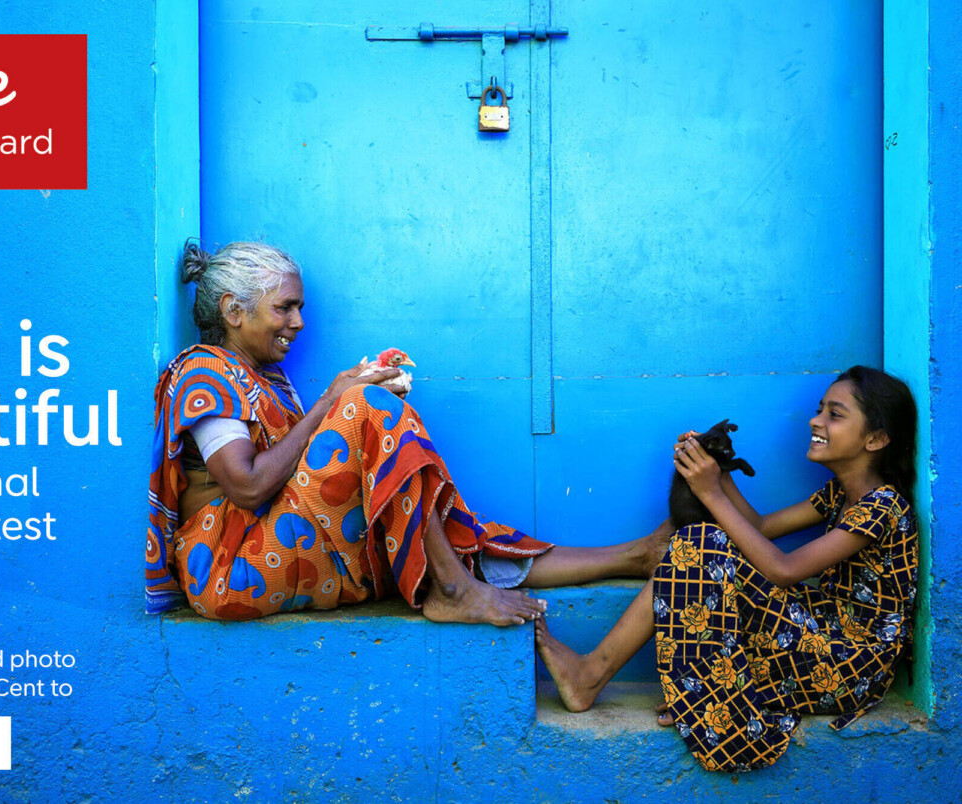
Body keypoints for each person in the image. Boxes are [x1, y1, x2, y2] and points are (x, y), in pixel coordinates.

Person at [146, 241, 665, 623]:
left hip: (294, 547)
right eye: (285, 307)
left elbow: (300, 469)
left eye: (299, 307)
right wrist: (339, 403)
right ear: (233, 311)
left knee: (443, 525)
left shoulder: (270, 380)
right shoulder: (204, 371)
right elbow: (248, 486)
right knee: (364, 409)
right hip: (231, 566)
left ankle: (632, 556)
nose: (299, 322)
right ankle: (454, 589)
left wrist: (360, 417)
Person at [534, 367, 919, 772]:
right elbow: (761, 528)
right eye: (819, 409)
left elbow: (784, 569)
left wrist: (710, 493)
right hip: (821, 638)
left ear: (875, 439)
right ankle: (688, 693)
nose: (815, 420)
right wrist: (716, 472)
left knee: (701, 541)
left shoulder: (883, 506)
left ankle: (598, 676)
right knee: (696, 543)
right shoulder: (839, 493)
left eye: (834, 415)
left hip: (851, 666)